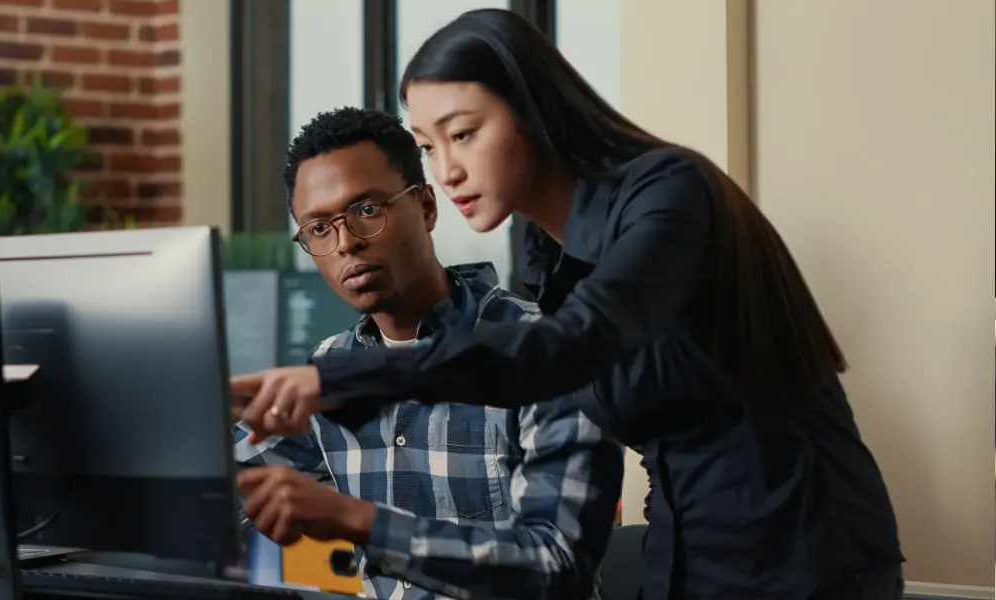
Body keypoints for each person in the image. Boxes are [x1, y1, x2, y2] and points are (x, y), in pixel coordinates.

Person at [232, 9, 904, 600]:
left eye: (463, 135)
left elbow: (563, 353)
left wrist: (333, 382)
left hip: (804, 555)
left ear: (533, 112)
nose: (448, 171)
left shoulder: (668, 192)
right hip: (688, 554)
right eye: (430, 146)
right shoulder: (547, 259)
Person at [233, 107, 623, 600]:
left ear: (426, 207)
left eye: (367, 210)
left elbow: (556, 566)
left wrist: (354, 521)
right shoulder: (327, 369)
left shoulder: (540, 349)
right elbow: (217, 489)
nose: (346, 243)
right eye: (318, 228)